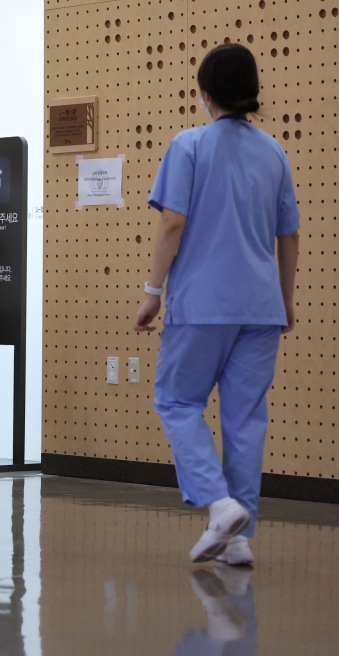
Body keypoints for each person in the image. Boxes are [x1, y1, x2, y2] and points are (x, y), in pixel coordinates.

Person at [134, 44, 300, 565]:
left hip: (203, 302)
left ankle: (220, 503)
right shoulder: (275, 152)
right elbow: (289, 237)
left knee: (177, 401)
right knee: (246, 418)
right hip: (261, 306)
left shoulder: (189, 145)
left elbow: (172, 223)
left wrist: (152, 293)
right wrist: (286, 299)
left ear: (204, 94)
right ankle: (239, 539)